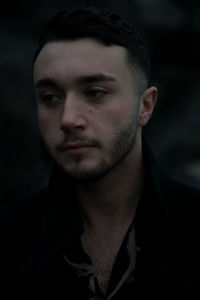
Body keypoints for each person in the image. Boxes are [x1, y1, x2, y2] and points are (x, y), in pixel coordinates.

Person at [1, 6, 200, 300]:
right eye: (50, 97)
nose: (68, 118)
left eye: (95, 92)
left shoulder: (195, 227)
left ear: (145, 106)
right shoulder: (9, 239)